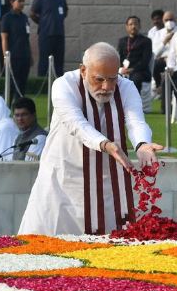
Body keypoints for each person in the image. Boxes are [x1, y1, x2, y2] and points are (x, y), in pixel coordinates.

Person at [18, 42, 163, 236]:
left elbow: (135, 121)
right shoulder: (63, 85)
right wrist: (105, 144)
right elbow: (76, 124)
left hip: (106, 180)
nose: (107, 87)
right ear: (83, 70)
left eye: (112, 79)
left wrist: (142, 144)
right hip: (63, 176)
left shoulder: (126, 87)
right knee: (45, 241)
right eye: (99, 79)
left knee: (111, 245)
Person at [31, 0, 68, 78]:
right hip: (46, 35)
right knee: (44, 61)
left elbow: (65, 12)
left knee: (59, 62)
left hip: (59, 34)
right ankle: (41, 86)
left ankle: (59, 85)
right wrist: (42, 23)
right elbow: (32, 13)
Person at [1, 0, 32, 103]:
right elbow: (4, 39)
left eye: (23, 1)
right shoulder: (7, 18)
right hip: (13, 56)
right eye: (19, 1)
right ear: (12, 2)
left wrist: (30, 56)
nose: (22, 3)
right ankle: (5, 108)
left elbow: (26, 38)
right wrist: (6, 56)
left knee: (22, 84)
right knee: (11, 85)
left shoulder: (24, 18)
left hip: (25, 56)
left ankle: (19, 109)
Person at [117, 16, 153, 97]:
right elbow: (119, 57)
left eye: (135, 24)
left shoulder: (146, 41)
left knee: (135, 79)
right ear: (126, 27)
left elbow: (145, 60)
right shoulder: (122, 41)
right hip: (124, 70)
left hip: (140, 71)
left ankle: (134, 103)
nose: (133, 26)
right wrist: (121, 69)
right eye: (131, 24)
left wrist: (131, 70)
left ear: (139, 26)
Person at [151, 10, 177, 113]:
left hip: (175, 62)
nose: (169, 22)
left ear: (175, 20)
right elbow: (154, 53)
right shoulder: (158, 34)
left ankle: (166, 106)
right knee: (155, 65)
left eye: (171, 19)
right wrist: (164, 41)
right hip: (161, 60)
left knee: (169, 80)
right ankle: (159, 87)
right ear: (163, 21)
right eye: (166, 20)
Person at [11, 97, 48, 161]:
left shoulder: (40, 138)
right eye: (17, 115)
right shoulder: (19, 136)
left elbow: (29, 166)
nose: (20, 119)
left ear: (33, 115)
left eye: (24, 114)